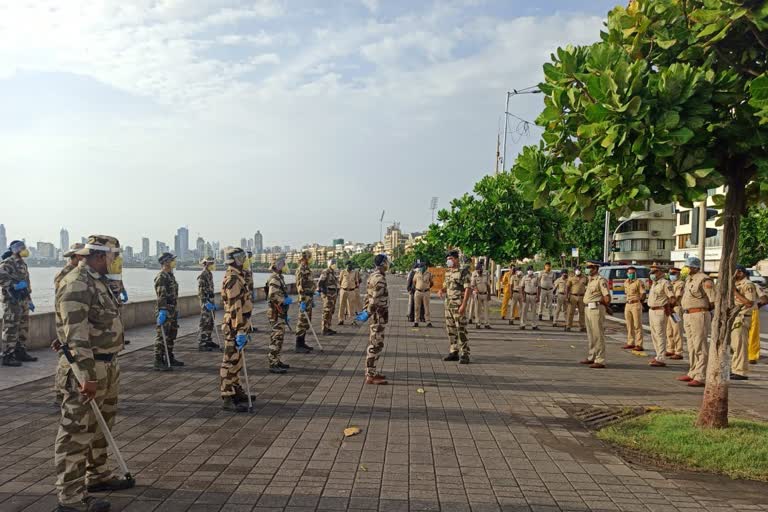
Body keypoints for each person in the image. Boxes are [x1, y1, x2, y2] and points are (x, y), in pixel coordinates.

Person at [55, 235, 135, 512]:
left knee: (102, 425)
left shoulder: (99, 282)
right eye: (113, 256)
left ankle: (97, 475)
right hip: (86, 369)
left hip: (108, 364)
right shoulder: (78, 283)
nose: (115, 262)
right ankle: (70, 497)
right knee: (76, 432)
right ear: (101, 256)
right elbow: (75, 336)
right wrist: (86, 376)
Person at [220, 247, 254, 413]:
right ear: (235, 259)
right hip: (234, 325)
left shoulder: (238, 276)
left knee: (237, 361)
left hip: (239, 324)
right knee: (230, 361)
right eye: (241, 257)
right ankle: (227, 396)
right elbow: (235, 307)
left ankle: (235, 391)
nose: (244, 260)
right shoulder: (233, 279)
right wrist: (240, 329)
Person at [53, 243, 85, 406]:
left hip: (74, 321)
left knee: (73, 360)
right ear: (77, 256)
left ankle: (68, 392)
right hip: (67, 323)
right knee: (66, 360)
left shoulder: (79, 273)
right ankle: (61, 394)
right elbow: (63, 303)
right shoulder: (65, 274)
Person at [678, 256, 715, 387]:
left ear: (694, 267)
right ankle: (693, 371)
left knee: (700, 345)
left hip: (699, 313)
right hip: (688, 314)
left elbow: (713, 299)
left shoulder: (704, 279)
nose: (685, 269)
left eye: (687, 266)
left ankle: (701, 375)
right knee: (692, 345)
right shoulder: (689, 279)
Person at [0, 240, 36, 366]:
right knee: (11, 329)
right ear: (16, 249)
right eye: (23, 248)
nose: (25, 250)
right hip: (12, 302)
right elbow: (1, 277)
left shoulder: (22, 264)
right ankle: (7, 356)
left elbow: (26, 283)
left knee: (23, 328)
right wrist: (14, 286)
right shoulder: (8, 263)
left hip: (23, 300)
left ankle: (20, 352)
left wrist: (29, 299)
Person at [359, 254, 390, 384]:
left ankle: (372, 371)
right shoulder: (379, 279)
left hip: (376, 315)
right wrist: (368, 312)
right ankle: (370, 375)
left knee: (375, 342)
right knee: (376, 344)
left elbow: (368, 296)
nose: (388, 264)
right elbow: (375, 299)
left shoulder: (372, 276)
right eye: (386, 262)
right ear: (382, 263)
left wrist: (366, 310)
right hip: (378, 316)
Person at [440, 250, 471, 364]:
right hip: (448, 305)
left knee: (461, 329)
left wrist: (464, 304)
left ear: (457, 259)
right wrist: (441, 290)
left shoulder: (463, 272)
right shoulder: (448, 272)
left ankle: (465, 353)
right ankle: (454, 351)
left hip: (458, 304)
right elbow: (446, 285)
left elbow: (468, 288)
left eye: (451, 259)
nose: (449, 261)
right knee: (451, 329)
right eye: (448, 259)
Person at [154, 252, 183, 370]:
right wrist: (162, 310)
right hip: (165, 310)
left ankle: (169, 357)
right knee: (162, 336)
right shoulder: (161, 276)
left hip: (172, 309)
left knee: (171, 335)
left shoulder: (170, 275)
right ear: (165, 262)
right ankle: (158, 361)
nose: (173, 262)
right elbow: (161, 295)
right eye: (171, 260)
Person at [580, 261, 611, 368]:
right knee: (591, 335)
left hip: (596, 309)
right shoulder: (590, 280)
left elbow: (607, 297)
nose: (587, 269)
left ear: (595, 268)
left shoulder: (600, 280)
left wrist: (603, 305)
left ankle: (600, 359)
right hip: (588, 308)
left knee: (598, 335)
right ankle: (591, 356)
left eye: (589, 267)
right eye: (587, 267)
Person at [731, 264, 758, 380]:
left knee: (741, 345)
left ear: (741, 273)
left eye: (735, 272)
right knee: (735, 346)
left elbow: (749, 303)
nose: (733, 275)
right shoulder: (736, 285)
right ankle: (735, 369)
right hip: (734, 316)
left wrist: (735, 292)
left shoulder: (748, 285)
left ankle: (741, 371)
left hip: (742, 317)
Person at [266, 257, 291, 374]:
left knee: (279, 337)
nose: (285, 265)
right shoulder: (275, 278)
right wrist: (283, 300)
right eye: (282, 263)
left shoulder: (279, 277)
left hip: (280, 312)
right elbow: (272, 295)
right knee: (276, 337)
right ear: (277, 265)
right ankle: (273, 363)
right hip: (275, 313)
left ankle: (276, 360)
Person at [647, 265, 675, 367]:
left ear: (660, 272)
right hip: (651, 310)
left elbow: (672, 297)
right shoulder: (654, 284)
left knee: (660, 334)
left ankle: (661, 358)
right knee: (654, 335)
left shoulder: (665, 283)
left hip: (660, 311)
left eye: (654, 272)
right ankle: (658, 355)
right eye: (651, 272)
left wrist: (669, 308)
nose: (652, 274)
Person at [294, 250, 316, 353]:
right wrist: (302, 301)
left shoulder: (307, 269)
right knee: (302, 322)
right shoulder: (301, 270)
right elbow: (299, 286)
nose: (311, 258)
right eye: (310, 257)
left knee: (306, 321)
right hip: (304, 298)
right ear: (305, 258)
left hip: (309, 298)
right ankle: (298, 345)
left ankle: (303, 342)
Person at [197, 257, 219, 352]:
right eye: (211, 263)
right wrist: (205, 302)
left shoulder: (209, 274)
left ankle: (208, 340)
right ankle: (202, 343)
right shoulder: (203, 275)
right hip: (206, 302)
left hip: (211, 300)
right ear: (206, 264)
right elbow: (201, 291)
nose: (213, 265)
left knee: (211, 322)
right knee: (205, 323)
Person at [622, 265, 646, 351]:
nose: (631, 274)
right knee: (629, 325)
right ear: (627, 273)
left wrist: (640, 302)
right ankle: (630, 342)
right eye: (629, 273)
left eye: (633, 273)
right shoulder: (625, 282)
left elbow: (643, 294)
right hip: (628, 304)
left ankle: (639, 344)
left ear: (635, 273)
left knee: (637, 325)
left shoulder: (639, 282)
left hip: (636, 304)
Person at [665, 267, 685, 360]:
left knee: (677, 330)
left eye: (674, 273)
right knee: (669, 330)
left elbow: (677, 297)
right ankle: (670, 349)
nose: (672, 275)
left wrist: (670, 305)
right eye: (671, 273)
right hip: (669, 308)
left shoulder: (680, 284)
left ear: (678, 274)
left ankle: (679, 351)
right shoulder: (669, 284)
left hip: (675, 308)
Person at [318, 258, 339, 336]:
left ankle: (328, 327)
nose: (335, 264)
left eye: (335, 262)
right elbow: (320, 282)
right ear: (329, 264)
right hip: (328, 295)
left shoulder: (333, 272)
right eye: (333, 263)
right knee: (326, 311)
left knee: (331, 311)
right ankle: (324, 329)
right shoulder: (326, 271)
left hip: (333, 295)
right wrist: (323, 292)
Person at [338, 261, 361, 326]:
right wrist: (341, 288)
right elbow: (340, 281)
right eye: (349, 266)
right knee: (341, 305)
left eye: (351, 266)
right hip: (343, 290)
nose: (350, 267)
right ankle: (341, 320)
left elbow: (357, 281)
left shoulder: (355, 272)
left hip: (351, 291)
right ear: (346, 266)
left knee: (351, 306)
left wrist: (356, 288)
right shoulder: (343, 272)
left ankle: (352, 320)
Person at [565, 266, 588, 332]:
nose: (578, 271)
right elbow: (567, 287)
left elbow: (588, 286)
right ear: (574, 270)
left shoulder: (584, 278)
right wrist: (567, 297)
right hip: (573, 296)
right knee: (570, 312)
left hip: (582, 296)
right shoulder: (571, 277)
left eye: (579, 269)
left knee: (582, 312)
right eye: (577, 269)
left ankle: (582, 326)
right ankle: (568, 326)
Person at [413, 262, 434, 327]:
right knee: (417, 307)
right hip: (418, 292)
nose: (422, 268)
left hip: (426, 292)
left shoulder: (429, 274)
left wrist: (426, 288)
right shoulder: (416, 273)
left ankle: (428, 322)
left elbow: (431, 283)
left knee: (426, 308)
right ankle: (416, 321)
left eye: (423, 266)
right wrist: (418, 287)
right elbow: (414, 281)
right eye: (421, 266)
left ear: (425, 267)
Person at [470, 262, 491, 329]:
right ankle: (478, 323)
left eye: (480, 270)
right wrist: (475, 290)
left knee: (486, 310)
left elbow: (488, 286)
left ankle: (486, 323)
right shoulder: (475, 276)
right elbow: (472, 285)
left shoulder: (486, 275)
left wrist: (489, 295)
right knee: (477, 309)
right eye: (477, 270)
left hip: (485, 294)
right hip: (477, 295)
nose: (479, 271)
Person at [520, 265, 540, 330]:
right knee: (524, 311)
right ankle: (522, 324)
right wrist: (523, 296)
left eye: (531, 269)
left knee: (534, 311)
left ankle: (534, 325)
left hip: (534, 296)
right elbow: (522, 287)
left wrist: (538, 296)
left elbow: (539, 287)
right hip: (526, 295)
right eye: (529, 269)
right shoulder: (524, 277)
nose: (530, 271)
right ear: (527, 271)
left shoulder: (536, 278)